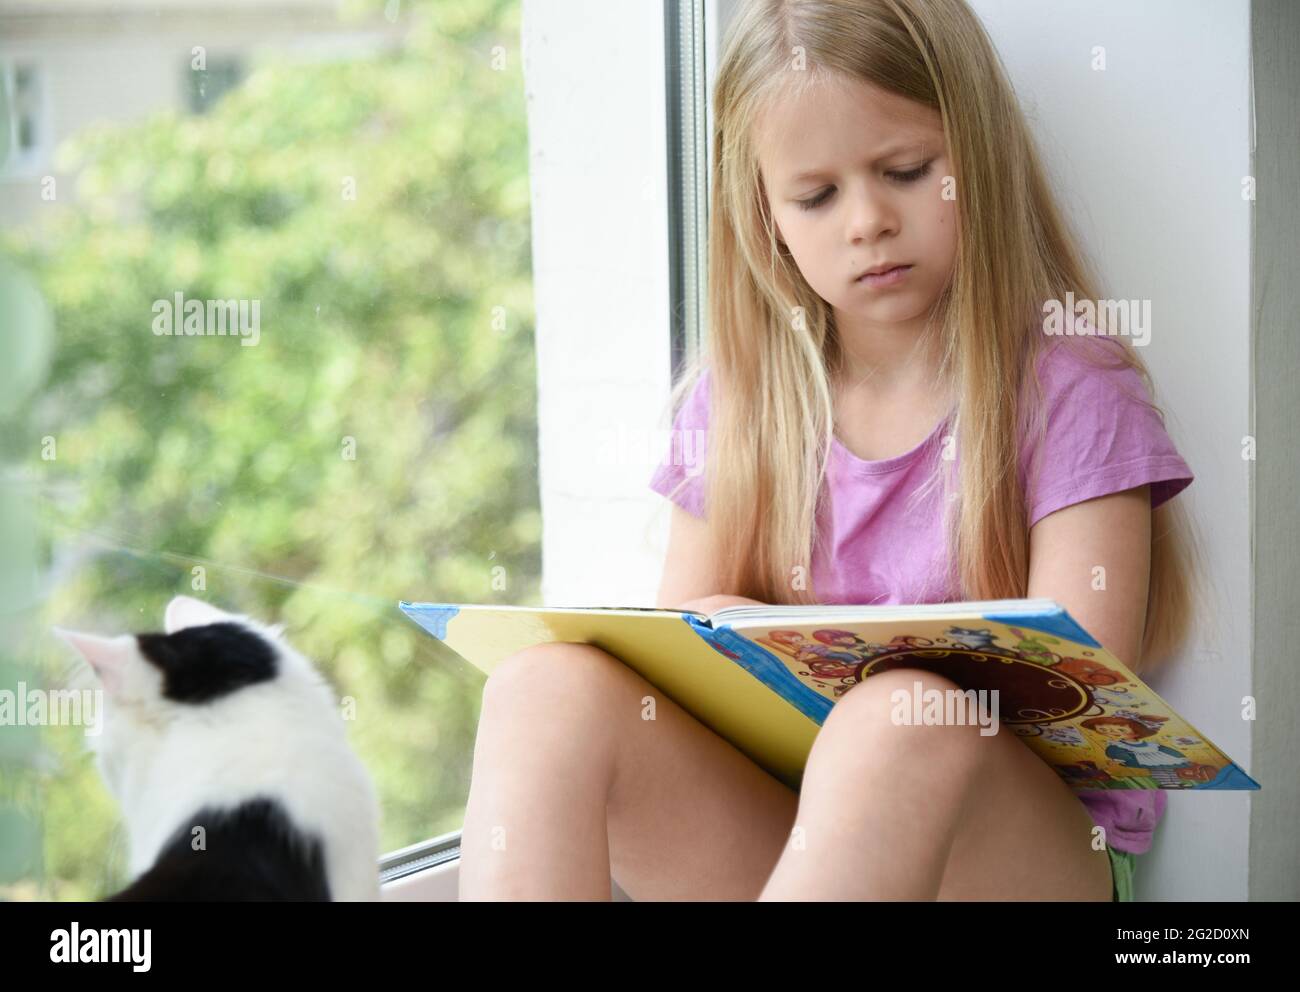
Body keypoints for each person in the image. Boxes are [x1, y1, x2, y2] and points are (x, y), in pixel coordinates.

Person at [457, 0, 1202, 901]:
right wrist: (732, 633)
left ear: (980, 153)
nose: (867, 221)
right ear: (765, 213)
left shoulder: (1072, 391)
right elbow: (677, 667)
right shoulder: (740, 402)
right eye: (817, 196)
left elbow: (1078, 696)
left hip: (1024, 861)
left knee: (900, 718)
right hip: (805, 846)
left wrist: (877, 695)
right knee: (541, 693)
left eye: (906, 170)